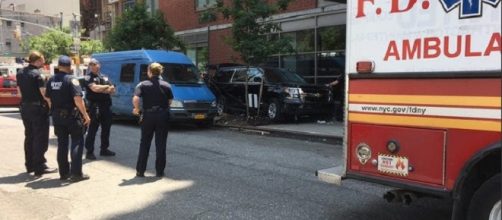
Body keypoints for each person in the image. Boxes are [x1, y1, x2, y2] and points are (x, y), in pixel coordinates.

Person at [45, 55, 91, 182]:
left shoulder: (51, 80)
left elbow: (47, 98)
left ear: (59, 66)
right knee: (77, 141)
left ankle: (64, 173)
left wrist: (54, 110)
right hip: (71, 116)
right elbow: (78, 99)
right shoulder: (72, 80)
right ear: (70, 66)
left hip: (57, 116)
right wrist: (85, 115)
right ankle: (76, 173)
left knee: (62, 144)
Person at [16, 50, 57, 177]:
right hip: (38, 109)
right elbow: (45, 95)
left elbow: (19, 93)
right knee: (40, 137)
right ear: (38, 60)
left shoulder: (20, 73)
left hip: (25, 108)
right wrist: (52, 107)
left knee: (29, 136)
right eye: (43, 59)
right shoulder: (37, 75)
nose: (44, 61)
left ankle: (30, 165)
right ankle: (40, 166)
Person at [132, 62, 173, 178]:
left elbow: (135, 98)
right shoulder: (166, 85)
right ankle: (159, 172)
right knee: (161, 144)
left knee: (144, 143)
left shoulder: (143, 84)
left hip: (148, 116)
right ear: (161, 72)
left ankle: (140, 171)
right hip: (162, 116)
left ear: (149, 72)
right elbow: (170, 101)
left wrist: (136, 109)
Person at [84, 58, 116, 160]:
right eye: (91, 65)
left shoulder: (104, 77)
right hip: (95, 107)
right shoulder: (88, 77)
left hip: (106, 106)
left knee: (106, 129)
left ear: (99, 65)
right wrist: (106, 87)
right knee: (93, 130)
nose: (93, 66)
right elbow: (94, 89)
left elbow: (113, 90)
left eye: (94, 64)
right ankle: (89, 152)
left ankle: (104, 149)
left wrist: (102, 89)